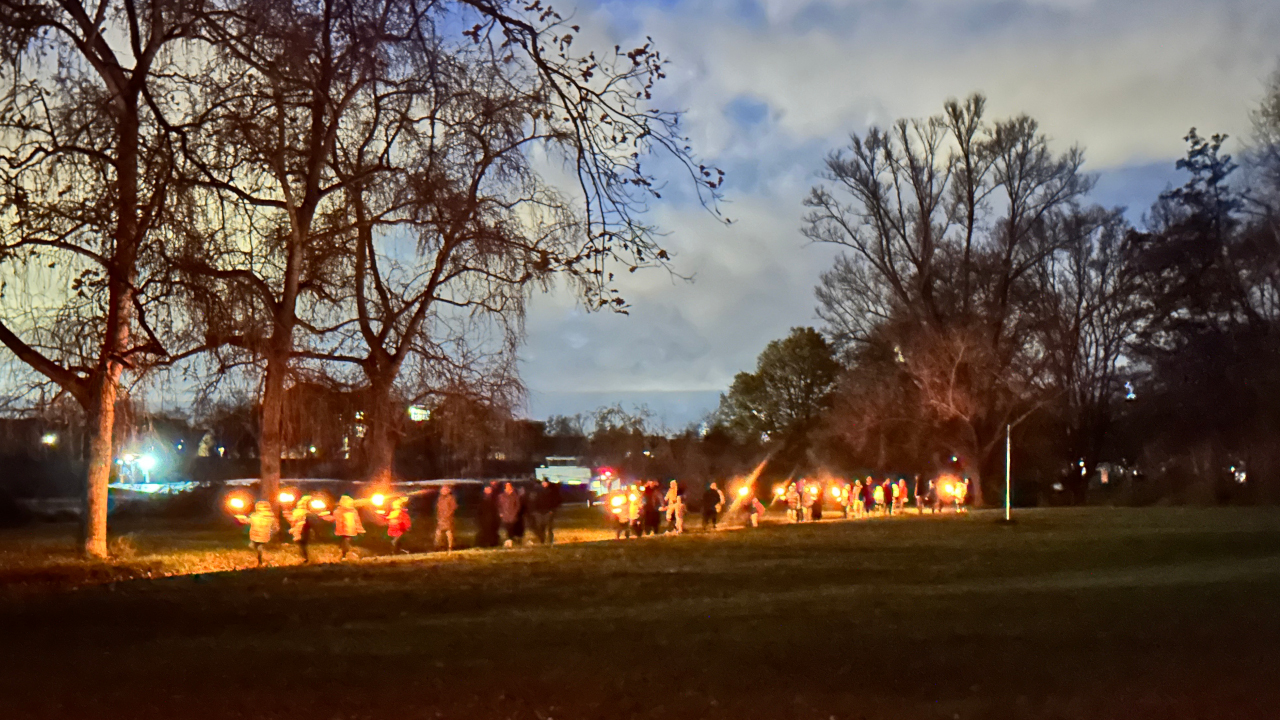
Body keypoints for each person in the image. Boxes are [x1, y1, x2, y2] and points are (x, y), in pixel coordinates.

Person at [234, 500, 278, 567]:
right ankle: (261, 558)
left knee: (259, 548)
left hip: (263, 536)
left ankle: (262, 560)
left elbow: (275, 527)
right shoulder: (255, 516)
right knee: (255, 546)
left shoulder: (269, 518)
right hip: (256, 535)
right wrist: (241, 517)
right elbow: (248, 521)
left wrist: (272, 532)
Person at [328, 495, 365, 561]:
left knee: (346, 542)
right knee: (344, 542)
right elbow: (333, 519)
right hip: (342, 531)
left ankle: (345, 554)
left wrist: (360, 529)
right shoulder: (338, 511)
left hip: (350, 531)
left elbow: (357, 521)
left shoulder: (353, 511)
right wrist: (324, 516)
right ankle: (343, 554)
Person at [531, 480, 563, 544]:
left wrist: (552, 510)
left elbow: (556, 501)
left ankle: (550, 540)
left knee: (549, 527)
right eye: (543, 483)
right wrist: (535, 511)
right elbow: (534, 501)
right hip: (540, 512)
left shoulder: (551, 492)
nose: (544, 484)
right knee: (541, 527)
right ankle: (542, 540)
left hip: (548, 512)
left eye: (545, 483)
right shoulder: (538, 492)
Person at [288, 495, 315, 562]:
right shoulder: (307, 513)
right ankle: (305, 557)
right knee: (303, 544)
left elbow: (293, 521)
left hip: (299, 529)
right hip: (304, 530)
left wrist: (292, 528)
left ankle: (304, 557)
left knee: (301, 544)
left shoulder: (296, 512)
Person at [498, 482, 522, 547]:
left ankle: (511, 541)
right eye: (507, 486)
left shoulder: (515, 496)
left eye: (509, 486)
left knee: (511, 528)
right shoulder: (501, 496)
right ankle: (508, 541)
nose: (508, 487)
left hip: (512, 515)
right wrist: (501, 513)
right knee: (506, 528)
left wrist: (515, 513)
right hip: (505, 515)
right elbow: (499, 505)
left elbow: (518, 505)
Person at [435, 485, 457, 551]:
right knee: (438, 532)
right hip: (441, 517)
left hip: (447, 518)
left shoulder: (451, 498)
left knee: (448, 532)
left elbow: (453, 507)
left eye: (445, 490)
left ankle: (450, 546)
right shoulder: (440, 498)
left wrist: (448, 515)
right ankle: (438, 546)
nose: (443, 491)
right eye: (442, 490)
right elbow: (438, 508)